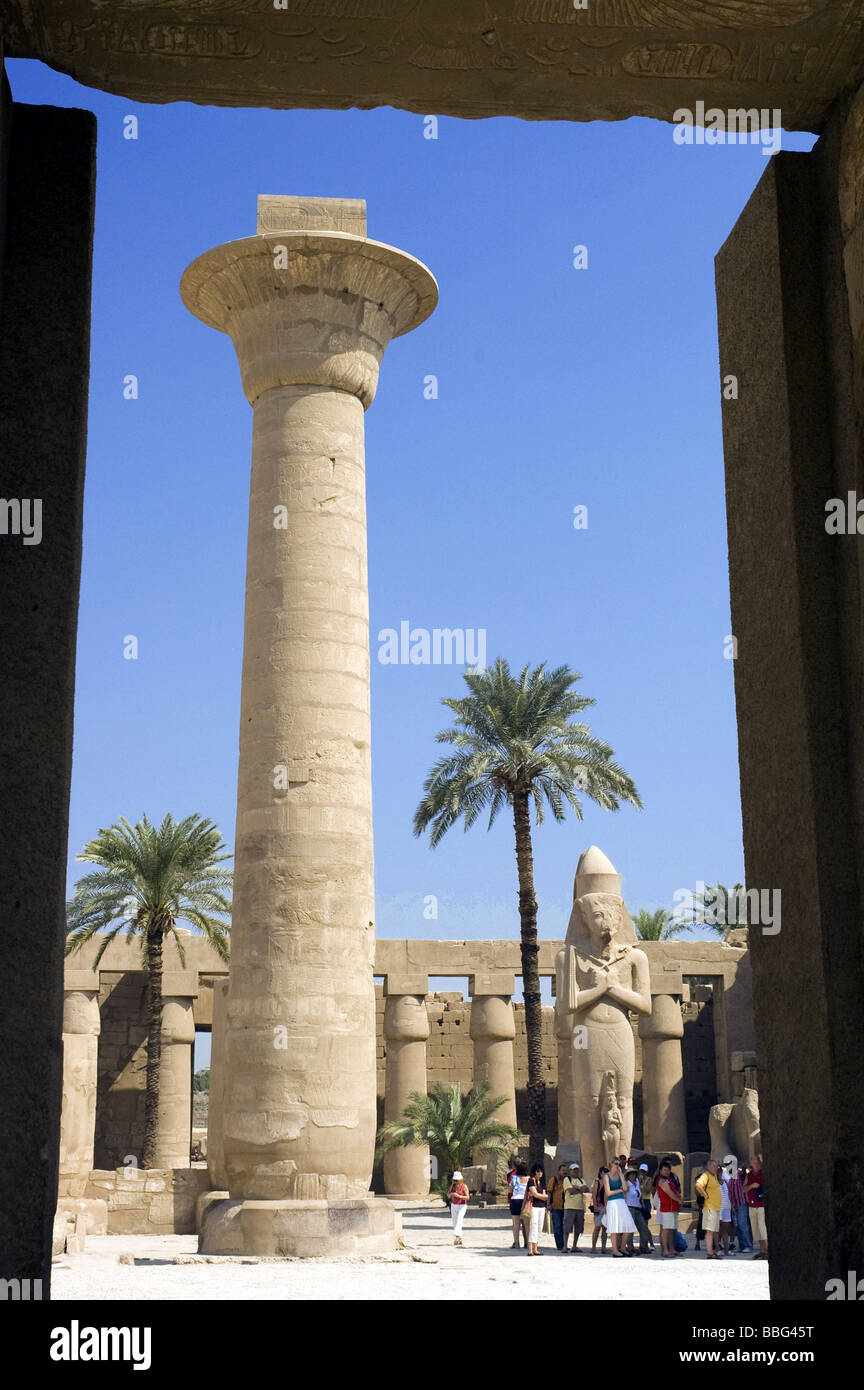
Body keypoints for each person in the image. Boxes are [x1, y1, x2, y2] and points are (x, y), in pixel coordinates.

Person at [602, 1157, 636, 1257]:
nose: (618, 1165)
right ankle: (615, 1250)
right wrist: (619, 1190)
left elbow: (625, 1188)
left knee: (628, 1225)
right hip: (612, 1203)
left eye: (619, 1164)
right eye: (616, 1163)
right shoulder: (606, 1176)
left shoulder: (619, 1175)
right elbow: (607, 1192)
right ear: (611, 1164)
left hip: (621, 1202)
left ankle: (622, 1247)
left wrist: (621, 1174)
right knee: (614, 1228)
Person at [695, 1158, 724, 1259]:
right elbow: (698, 1185)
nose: (715, 1168)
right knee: (709, 1231)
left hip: (715, 1208)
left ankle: (713, 1251)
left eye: (716, 1166)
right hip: (710, 1208)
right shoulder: (706, 1175)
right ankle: (709, 1252)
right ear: (708, 1167)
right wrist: (704, 1194)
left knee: (714, 1230)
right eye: (713, 1166)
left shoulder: (714, 1176)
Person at [654, 1157, 682, 1258]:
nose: (666, 1172)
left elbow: (676, 1191)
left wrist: (679, 1198)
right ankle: (665, 1250)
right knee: (665, 1229)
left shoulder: (669, 1179)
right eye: (664, 1170)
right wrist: (678, 1199)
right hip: (666, 1207)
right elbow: (668, 1192)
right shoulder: (661, 1180)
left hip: (673, 1207)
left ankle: (671, 1249)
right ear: (660, 1170)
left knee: (671, 1229)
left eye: (668, 1170)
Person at [724, 1155, 753, 1253]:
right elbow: (731, 1193)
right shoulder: (730, 1178)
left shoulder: (739, 1173)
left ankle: (748, 1245)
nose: (728, 1167)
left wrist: (744, 1168)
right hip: (735, 1205)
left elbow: (744, 1174)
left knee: (742, 1225)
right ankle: (742, 1246)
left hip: (742, 1204)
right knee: (738, 1226)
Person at [743, 1153, 768, 1260]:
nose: (756, 1165)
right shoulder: (749, 1175)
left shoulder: (763, 1173)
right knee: (756, 1229)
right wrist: (752, 1186)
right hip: (752, 1205)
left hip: (762, 1204)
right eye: (754, 1163)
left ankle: (766, 1251)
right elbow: (743, 1189)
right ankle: (762, 1251)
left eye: (757, 1163)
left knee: (763, 1229)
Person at [563, 1163, 589, 1252]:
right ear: (570, 1171)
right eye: (574, 1170)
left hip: (580, 1207)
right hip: (569, 1207)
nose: (575, 1171)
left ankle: (574, 1245)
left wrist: (577, 1188)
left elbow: (586, 1189)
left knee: (578, 1228)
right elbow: (570, 1191)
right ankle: (565, 1246)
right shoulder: (567, 1179)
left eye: (577, 1169)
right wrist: (580, 1189)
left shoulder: (581, 1180)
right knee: (567, 1227)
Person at [625, 1165, 651, 1254]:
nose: (632, 1175)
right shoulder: (626, 1184)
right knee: (630, 1229)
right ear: (628, 1176)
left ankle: (643, 1246)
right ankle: (630, 1247)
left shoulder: (637, 1182)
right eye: (630, 1174)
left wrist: (642, 1203)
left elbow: (640, 1194)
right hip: (630, 1208)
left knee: (643, 1228)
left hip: (638, 1207)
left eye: (634, 1174)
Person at [524, 1162, 548, 1256]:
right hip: (534, 1207)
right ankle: (530, 1249)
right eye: (538, 1171)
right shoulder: (531, 1181)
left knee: (539, 1228)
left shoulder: (540, 1182)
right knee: (533, 1226)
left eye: (541, 1171)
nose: (540, 1173)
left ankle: (535, 1249)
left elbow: (542, 1194)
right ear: (534, 1171)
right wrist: (545, 1197)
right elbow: (535, 1194)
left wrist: (543, 1196)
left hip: (542, 1207)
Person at [547, 1163, 569, 1252]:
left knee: (564, 1226)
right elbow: (549, 1192)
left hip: (565, 1206)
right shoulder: (554, 1180)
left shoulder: (567, 1180)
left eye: (565, 1170)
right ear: (559, 1171)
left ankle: (564, 1245)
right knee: (557, 1226)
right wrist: (548, 1204)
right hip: (555, 1206)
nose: (565, 1172)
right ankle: (560, 1245)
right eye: (563, 1170)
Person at [508, 1161, 529, 1249]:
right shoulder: (529, 1179)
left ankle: (516, 1243)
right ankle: (527, 1243)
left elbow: (510, 1190)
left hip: (515, 1200)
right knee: (526, 1224)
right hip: (525, 1200)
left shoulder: (514, 1178)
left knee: (516, 1223)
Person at [638, 1163, 656, 1252]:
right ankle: (642, 1244)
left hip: (646, 1202)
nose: (642, 1173)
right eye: (641, 1171)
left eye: (644, 1171)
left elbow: (647, 1190)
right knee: (639, 1224)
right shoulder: (637, 1179)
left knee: (645, 1225)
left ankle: (650, 1243)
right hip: (639, 1202)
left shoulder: (649, 1179)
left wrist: (643, 1182)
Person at [591, 1165, 609, 1251]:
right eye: (604, 1172)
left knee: (605, 1229)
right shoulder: (597, 1182)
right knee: (597, 1227)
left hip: (606, 1207)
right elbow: (594, 1195)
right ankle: (593, 1247)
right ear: (601, 1173)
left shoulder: (608, 1182)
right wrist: (595, 1206)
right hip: (599, 1206)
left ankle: (603, 1248)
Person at [449, 1171, 469, 1246]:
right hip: (454, 1205)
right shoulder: (452, 1186)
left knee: (459, 1219)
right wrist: (451, 1194)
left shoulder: (464, 1186)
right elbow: (448, 1195)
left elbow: (467, 1197)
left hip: (462, 1205)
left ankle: (457, 1236)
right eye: (454, 1180)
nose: (455, 1182)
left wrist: (459, 1196)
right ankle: (459, 1238)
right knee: (454, 1221)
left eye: (456, 1180)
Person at [719, 1165, 733, 1256]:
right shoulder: (713, 1182)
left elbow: (729, 1194)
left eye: (720, 1172)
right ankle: (717, 1248)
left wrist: (732, 1206)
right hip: (718, 1208)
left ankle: (726, 1249)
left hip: (727, 1208)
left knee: (725, 1229)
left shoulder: (726, 1182)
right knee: (717, 1229)